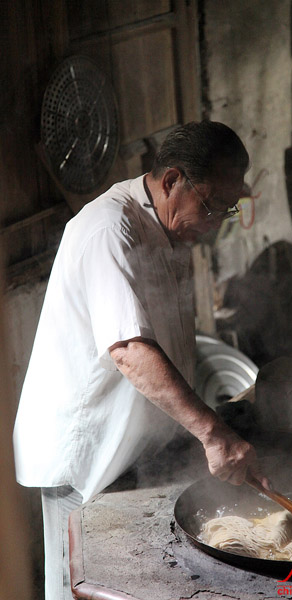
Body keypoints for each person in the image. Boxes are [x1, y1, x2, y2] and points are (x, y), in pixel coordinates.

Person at [13, 120, 269, 599]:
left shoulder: (171, 230)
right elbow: (130, 351)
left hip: (134, 446)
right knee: (79, 587)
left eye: (228, 208)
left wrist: (195, 430)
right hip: (85, 451)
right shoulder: (109, 230)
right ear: (171, 181)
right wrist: (212, 433)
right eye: (211, 205)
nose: (216, 221)